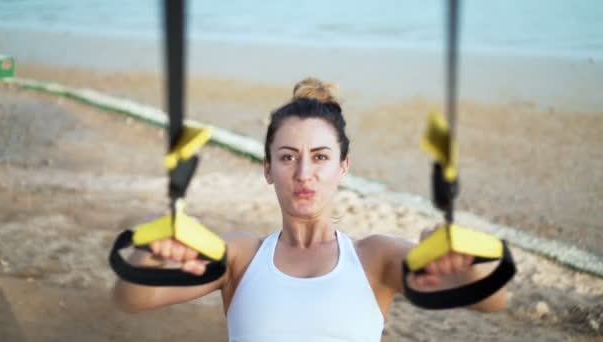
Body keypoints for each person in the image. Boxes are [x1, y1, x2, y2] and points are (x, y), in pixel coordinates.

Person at [113, 78, 507, 341]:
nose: (304, 173)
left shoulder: (375, 259)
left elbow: (491, 301)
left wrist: (464, 254)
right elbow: (131, 298)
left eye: (320, 157)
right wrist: (151, 249)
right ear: (267, 169)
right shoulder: (239, 257)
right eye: (287, 157)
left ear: (343, 167)